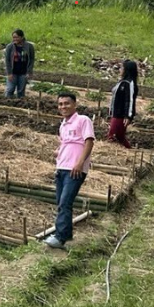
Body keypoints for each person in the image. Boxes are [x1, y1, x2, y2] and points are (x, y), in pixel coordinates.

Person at [44, 92, 95, 250]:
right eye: (60, 104)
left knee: (65, 202)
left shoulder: (83, 120)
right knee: (61, 202)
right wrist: (58, 154)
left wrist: (80, 163)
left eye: (66, 103)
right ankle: (66, 234)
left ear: (74, 105)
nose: (63, 107)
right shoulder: (63, 125)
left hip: (75, 170)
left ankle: (60, 238)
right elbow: (65, 144)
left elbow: (89, 142)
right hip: (62, 167)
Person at [107, 59, 140, 149]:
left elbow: (129, 100)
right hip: (116, 113)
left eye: (122, 68)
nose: (120, 70)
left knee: (113, 135)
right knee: (119, 136)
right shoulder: (122, 82)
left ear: (127, 70)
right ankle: (127, 150)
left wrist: (128, 116)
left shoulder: (129, 83)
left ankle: (120, 151)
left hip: (121, 115)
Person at [3, 30, 36, 99]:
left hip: (23, 73)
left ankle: (19, 103)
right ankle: (7, 102)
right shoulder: (10, 47)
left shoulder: (29, 46)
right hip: (13, 72)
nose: (15, 39)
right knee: (10, 89)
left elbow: (31, 59)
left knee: (21, 91)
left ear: (22, 37)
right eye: (13, 37)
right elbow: (7, 61)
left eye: (17, 37)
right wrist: (9, 73)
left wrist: (29, 72)